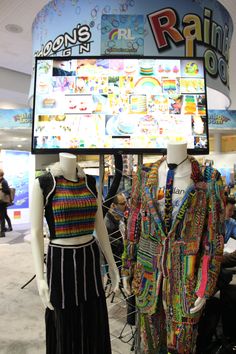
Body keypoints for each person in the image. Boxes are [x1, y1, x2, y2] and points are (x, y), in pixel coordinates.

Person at [122, 142, 225, 353]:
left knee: (181, 346)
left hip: (185, 284)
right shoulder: (143, 176)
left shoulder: (208, 179)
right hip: (147, 279)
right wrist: (127, 267)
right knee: (148, 344)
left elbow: (213, 239)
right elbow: (133, 226)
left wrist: (206, 284)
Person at [30, 153, 120, 354]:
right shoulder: (45, 183)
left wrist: (112, 265)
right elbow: (35, 231)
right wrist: (40, 278)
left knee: (92, 317)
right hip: (61, 260)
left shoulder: (89, 182)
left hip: (89, 257)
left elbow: (100, 226)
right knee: (65, 318)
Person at [104, 192, 127, 269]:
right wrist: (120, 244)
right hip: (114, 265)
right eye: (123, 203)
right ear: (113, 205)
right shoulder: (107, 222)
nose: (126, 206)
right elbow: (104, 240)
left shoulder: (120, 218)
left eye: (126, 202)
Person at [0, 169, 11, 237]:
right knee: (2, 216)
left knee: (2, 217)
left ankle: (2, 232)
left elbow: (7, 191)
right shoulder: (1, 181)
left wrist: (1, 189)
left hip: (2, 202)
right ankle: (3, 229)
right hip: (1, 202)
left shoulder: (4, 182)